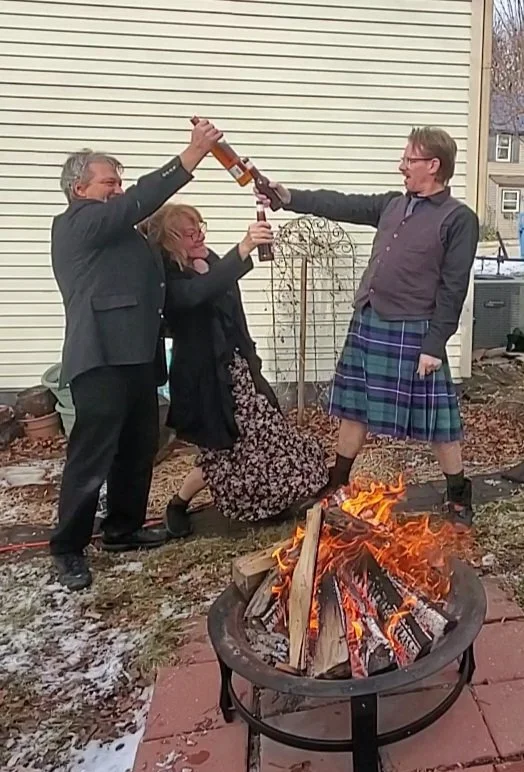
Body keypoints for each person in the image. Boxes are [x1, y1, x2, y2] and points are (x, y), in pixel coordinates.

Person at [257, 126, 479, 527]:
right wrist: (288, 198)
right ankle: (337, 480)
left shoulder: (458, 219)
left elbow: (454, 287)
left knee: (438, 421)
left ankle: (459, 493)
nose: (401, 166)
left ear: (433, 165)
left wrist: (435, 344)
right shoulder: (393, 204)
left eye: (409, 159)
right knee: (354, 408)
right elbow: (342, 204)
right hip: (370, 320)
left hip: (414, 330)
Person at [49, 119, 223, 591]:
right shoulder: (77, 223)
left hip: (138, 356)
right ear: (80, 188)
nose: (118, 190)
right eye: (109, 183)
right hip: (100, 357)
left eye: (119, 183)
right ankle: (67, 548)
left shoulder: (119, 231)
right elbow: (139, 201)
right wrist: (191, 155)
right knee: (92, 456)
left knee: (137, 447)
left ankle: (122, 530)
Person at [144, 203, 329, 535]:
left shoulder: (210, 260)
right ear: (171, 241)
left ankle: (282, 497)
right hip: (206, 380)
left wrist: (251, 359)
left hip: (238, 369)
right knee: (224, 449)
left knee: (267, 434)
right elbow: (197, 294)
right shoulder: (168, 278)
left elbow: (232, 310)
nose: (200, 236)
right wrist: (244, 247)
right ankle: (179, 503)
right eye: (190, 233)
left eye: (200, 228)